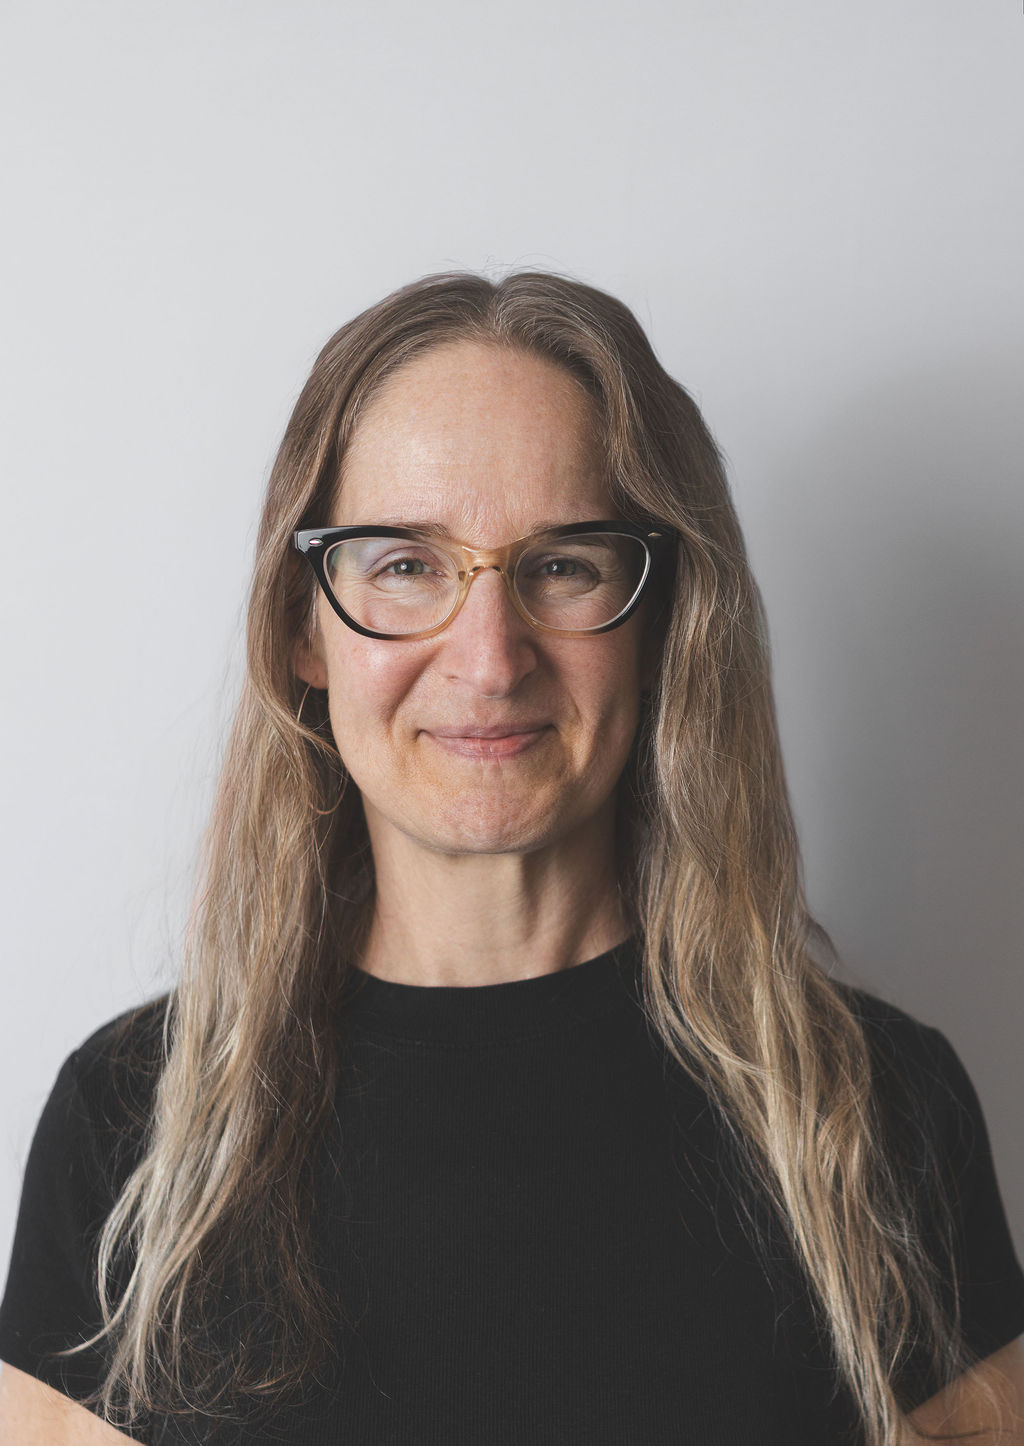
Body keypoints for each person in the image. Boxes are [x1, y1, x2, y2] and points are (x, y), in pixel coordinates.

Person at [0, 270, 1022, 1446]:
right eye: (404, 564)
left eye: (564, 565)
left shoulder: (874, 1110)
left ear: (664, 621)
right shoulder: (133, 1127)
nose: (489, 660)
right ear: (301, 627)